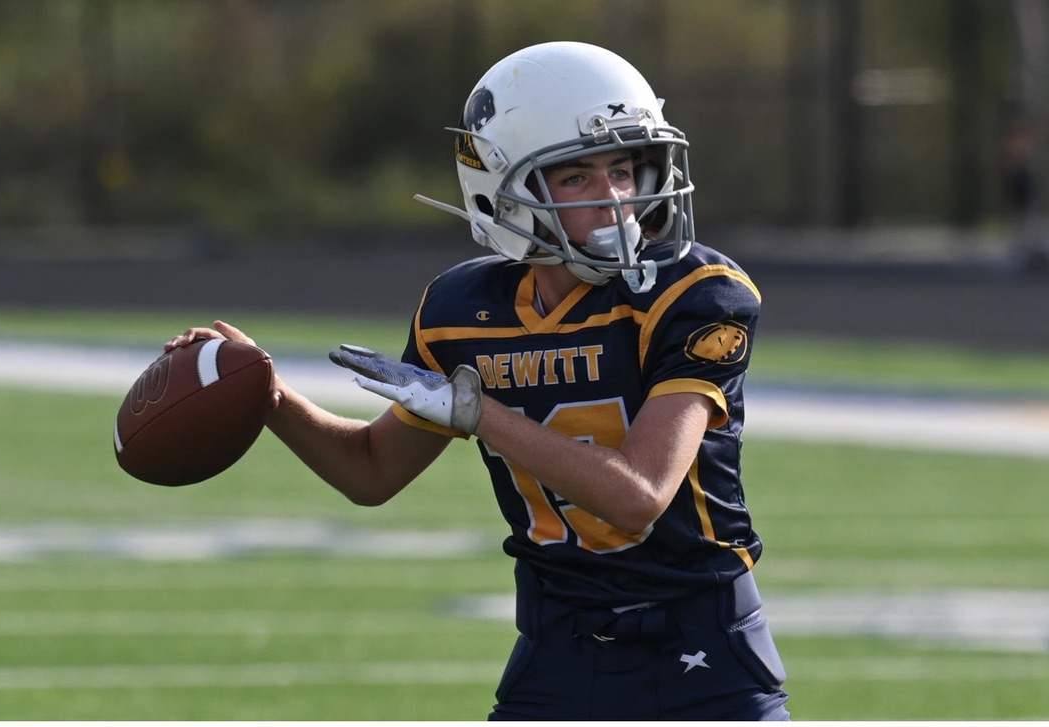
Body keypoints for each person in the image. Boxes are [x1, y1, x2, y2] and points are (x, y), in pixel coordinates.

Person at [166, 41, 790, 721]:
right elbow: (372, 470)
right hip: (558, 649)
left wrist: (481, 415)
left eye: (625, 167)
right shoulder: (462, 310)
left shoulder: (696, 293)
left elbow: (639, 497)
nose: (615, 197)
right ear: (505, 193)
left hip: (702, 650)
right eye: (577, 177)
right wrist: (269, 397)